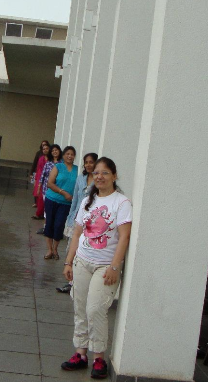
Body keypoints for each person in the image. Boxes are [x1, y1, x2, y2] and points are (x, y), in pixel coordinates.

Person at [60, 157, 132, 379]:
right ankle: (80, 354)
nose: (100, 177)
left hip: (105, 266)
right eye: (97, 173)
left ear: (114, 176)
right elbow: (77, 234)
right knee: (80, 307)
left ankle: (98, 357)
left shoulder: (121, 203)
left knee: (95, 309)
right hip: (82, 262)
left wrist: (114, 267)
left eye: (105, 173)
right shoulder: (87, 201)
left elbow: (124, 237)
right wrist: (68, 261)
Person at [57, 152, 97, 293]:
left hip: (90, 222)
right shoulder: (81, 178)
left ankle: (76, 283)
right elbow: (75, 200)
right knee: (71, 249)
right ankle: (71, 280)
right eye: (86, 162)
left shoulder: (98, 181)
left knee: (82, 251)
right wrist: (70, 218)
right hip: (76, 219)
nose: (88, 165)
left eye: (91, 162)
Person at [43, 146, 78, 259]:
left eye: (72, 154)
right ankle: (49, 249)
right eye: (67, 154)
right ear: (63, 155)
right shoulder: (58, 167)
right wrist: (63, 192)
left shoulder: (77, 170)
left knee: (59, 225)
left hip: (66, 203)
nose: (70, 156)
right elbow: (50, 183)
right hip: (52, 199)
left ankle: (55, 249)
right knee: (49, 223)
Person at [34, 144, 61, 220]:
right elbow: (42, 176)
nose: (54, 152)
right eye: (53, 151)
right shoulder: (48, 163)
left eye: (56, 150)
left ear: (59, 151)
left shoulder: (62, 164)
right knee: (47, 208)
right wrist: (39, 187)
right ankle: (46, 224)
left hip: (57, 190)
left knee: (54, 209)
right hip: (46, 189)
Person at [31, 143, 49, 219]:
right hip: (40, 178)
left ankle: (41, 213)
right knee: (39, 196)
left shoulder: (51, 160)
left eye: (47, 148)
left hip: (48, 179)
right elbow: (38, 168)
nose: (45, 150)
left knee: (44, 197)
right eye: (43, 149)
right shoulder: (41, 158)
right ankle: (39, 213)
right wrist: (35, 179)